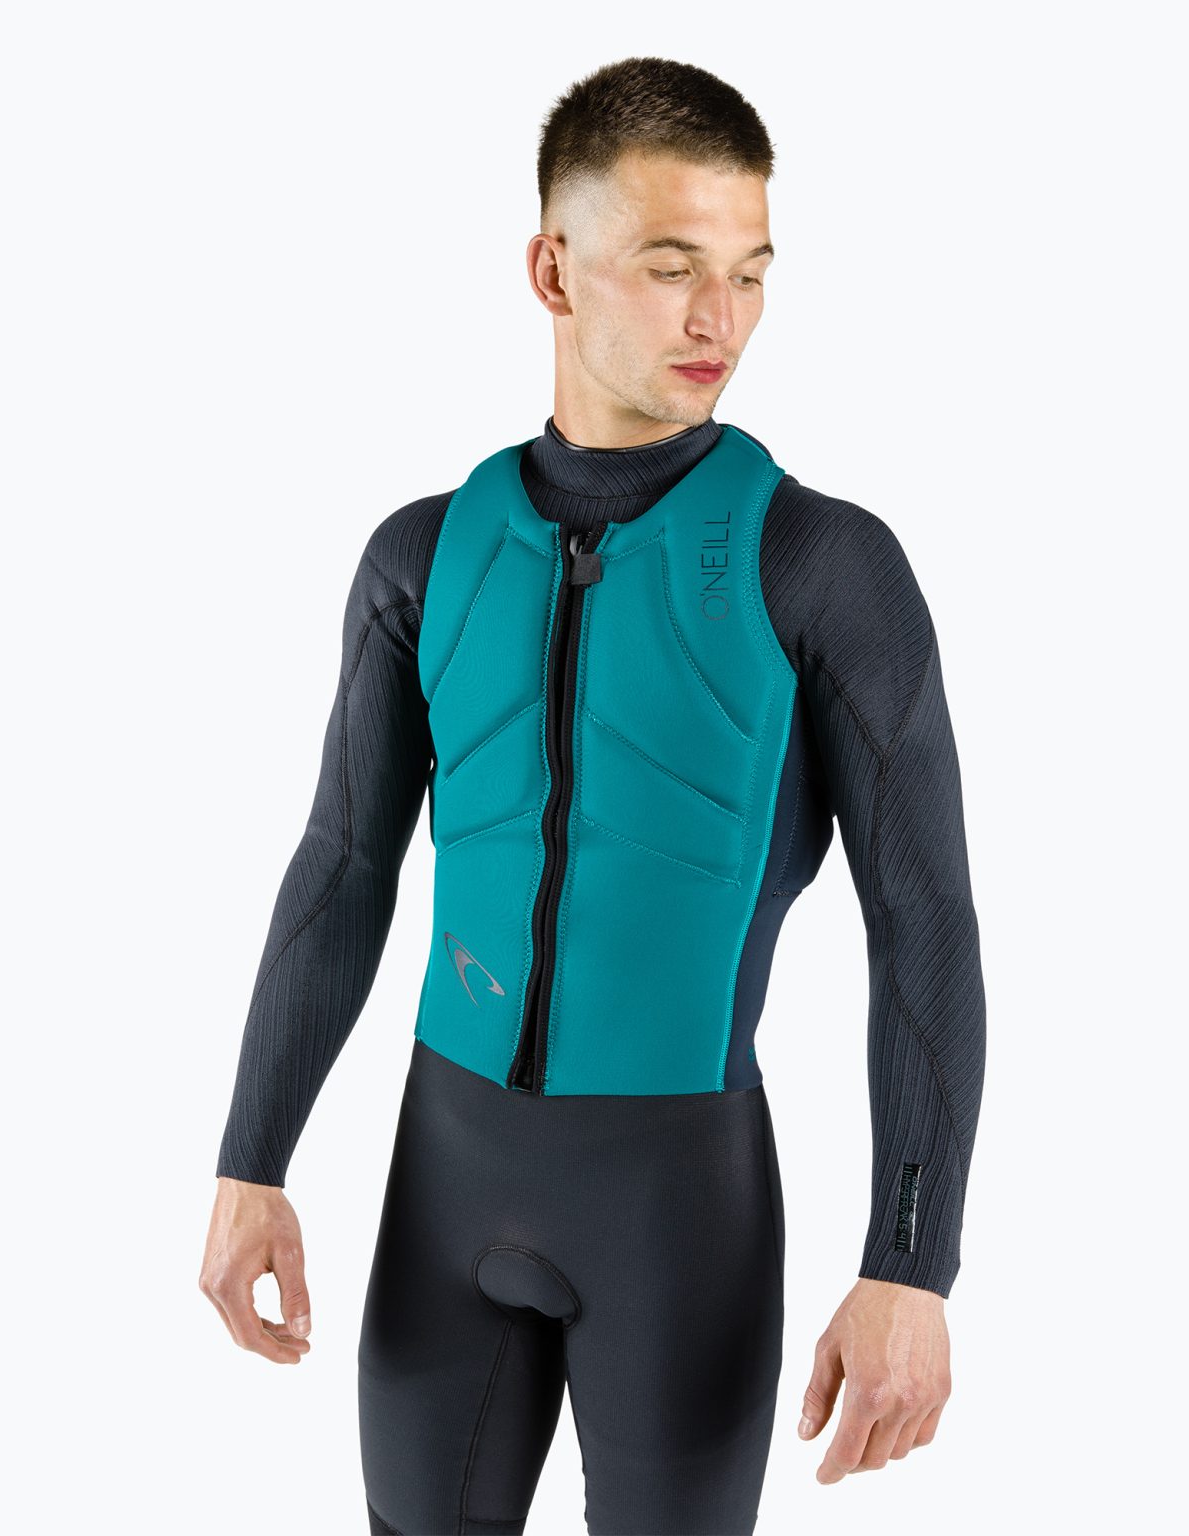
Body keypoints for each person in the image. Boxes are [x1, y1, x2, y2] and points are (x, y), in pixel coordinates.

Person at [200, 55, 986, 1536]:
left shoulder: (823, 567)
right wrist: (253, 1161)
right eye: (672, 268)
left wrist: (911, 1263)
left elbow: (926, 923)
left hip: (677, 1211)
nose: (718, 321)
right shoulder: (425, 556)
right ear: (553, 270)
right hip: (441, 1189)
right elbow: (344, 865)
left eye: (750, 275)